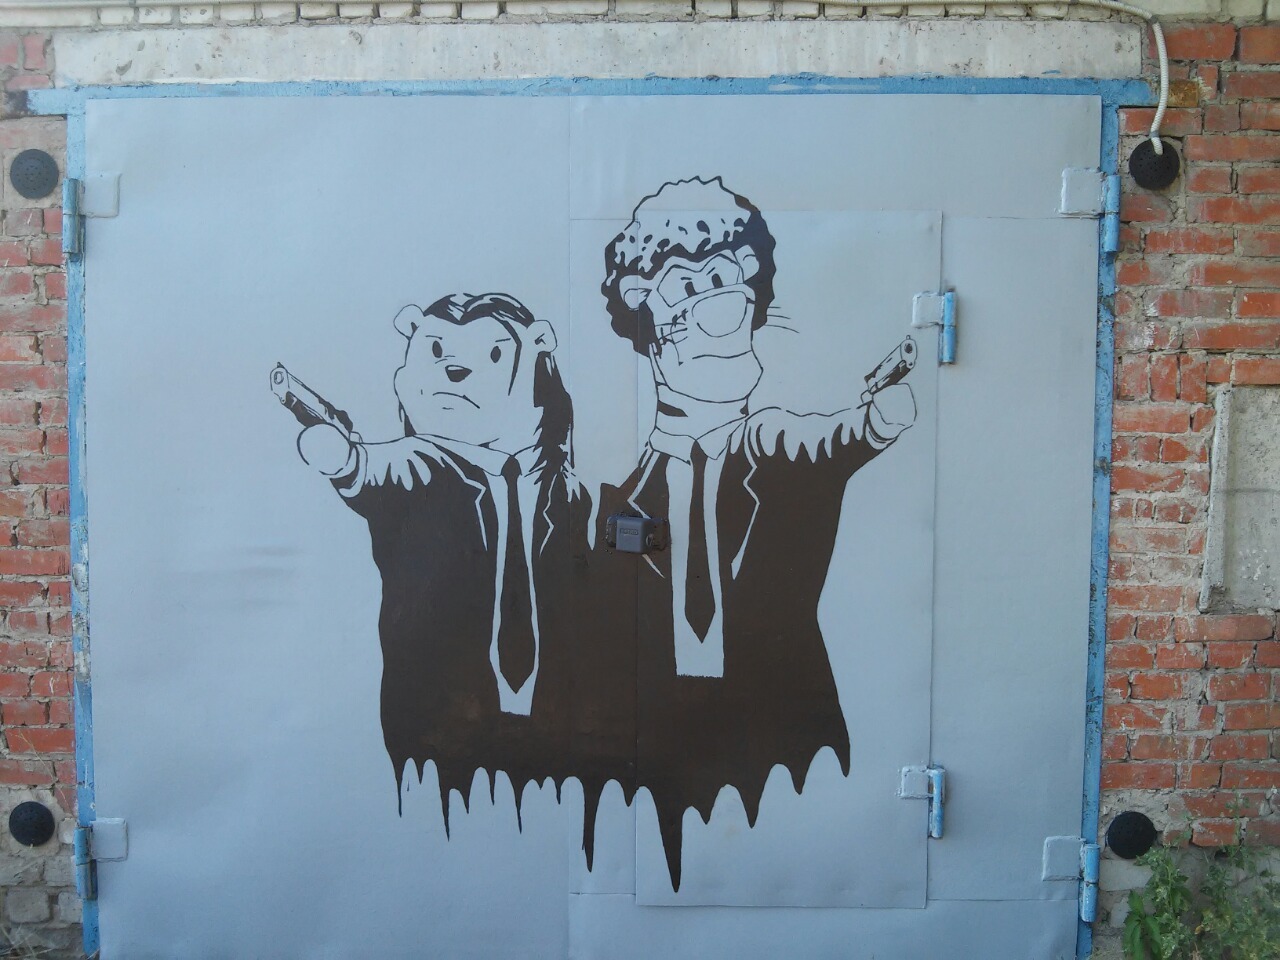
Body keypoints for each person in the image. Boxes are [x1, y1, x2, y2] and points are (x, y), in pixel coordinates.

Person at [598, 176, 918, 890]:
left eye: (729, 284)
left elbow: (831, 439)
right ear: (648, 323)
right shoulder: (621, 499)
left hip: (791, 747)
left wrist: (876, 420)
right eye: (687, 290)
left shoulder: (774, 445)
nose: (721, 312)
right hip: (664, 758)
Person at [280, 292, 583, 831]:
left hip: (562, 729)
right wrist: (344, 460)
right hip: (438, 727)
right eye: (435, 351)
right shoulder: (421, 466)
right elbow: (374, 471)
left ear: (536, 359)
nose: (455, 370)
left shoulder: (568, 489)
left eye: (493, 354)